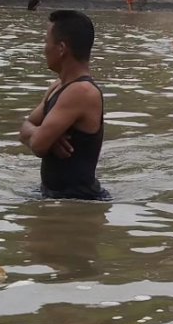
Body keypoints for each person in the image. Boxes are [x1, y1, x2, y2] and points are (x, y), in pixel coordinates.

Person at [19, 11, 108, 200]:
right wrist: (47, 135)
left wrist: (45, 137)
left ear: (61, 48)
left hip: (80, 203)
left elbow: (37, 145)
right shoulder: (58, 86)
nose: (44, 49)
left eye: (46, 42)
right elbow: (24, 129)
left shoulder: (81, 92)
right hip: (54, 196)